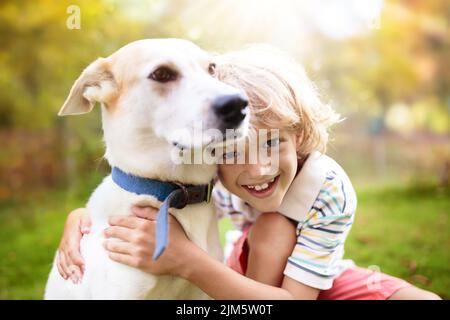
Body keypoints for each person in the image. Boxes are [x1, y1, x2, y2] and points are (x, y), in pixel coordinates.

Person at [56, 46, 441, 300]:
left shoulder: (327, 188)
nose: (258, 168)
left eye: (273, 143)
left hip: (309, 276)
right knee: (271, 229)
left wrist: (185, 258)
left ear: (301, 134)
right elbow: (147, 186)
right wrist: (81, 218)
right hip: (252, 275)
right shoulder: (214, 176)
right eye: (237, 151)